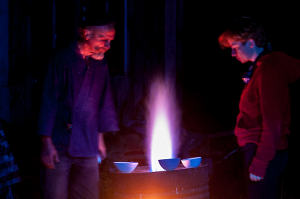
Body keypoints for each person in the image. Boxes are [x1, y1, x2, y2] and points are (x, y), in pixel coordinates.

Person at [218, 16, 300, 199]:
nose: (233, 54)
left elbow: (274, 122)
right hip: (258, 151)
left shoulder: (269, 71)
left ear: (251, 43)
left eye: (235, 48)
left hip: (263, 153)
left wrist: (260, 163)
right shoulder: (261, 69)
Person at [38, 16, 119, 199]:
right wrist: (46, 143)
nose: (107, 45)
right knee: (55, 194)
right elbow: (49, 100)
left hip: (88, 140)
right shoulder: (62, 60)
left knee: (88, 194)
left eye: (110, 41)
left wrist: (100, 138)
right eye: (103, 39)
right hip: (59, 142)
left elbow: (104, 101)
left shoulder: (100, 64)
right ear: (86, 34)